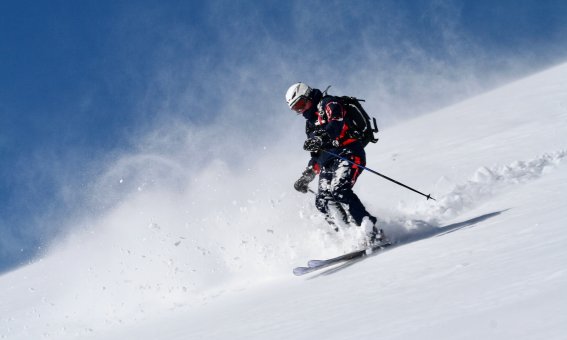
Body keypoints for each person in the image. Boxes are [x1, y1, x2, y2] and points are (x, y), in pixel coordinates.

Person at [285, 82, 385, 247]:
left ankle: (372, 232)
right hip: (329, 163)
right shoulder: (310, 124)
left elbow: (336, 123)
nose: (301, 110)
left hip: (349, 153)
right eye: (296, 109)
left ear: (308, 95)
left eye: (301, 104)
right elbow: (317, 156)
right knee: (322, 201)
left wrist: (321, 138)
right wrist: (306, 176)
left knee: (339, 190)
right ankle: (350, 236)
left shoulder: (328, 103)